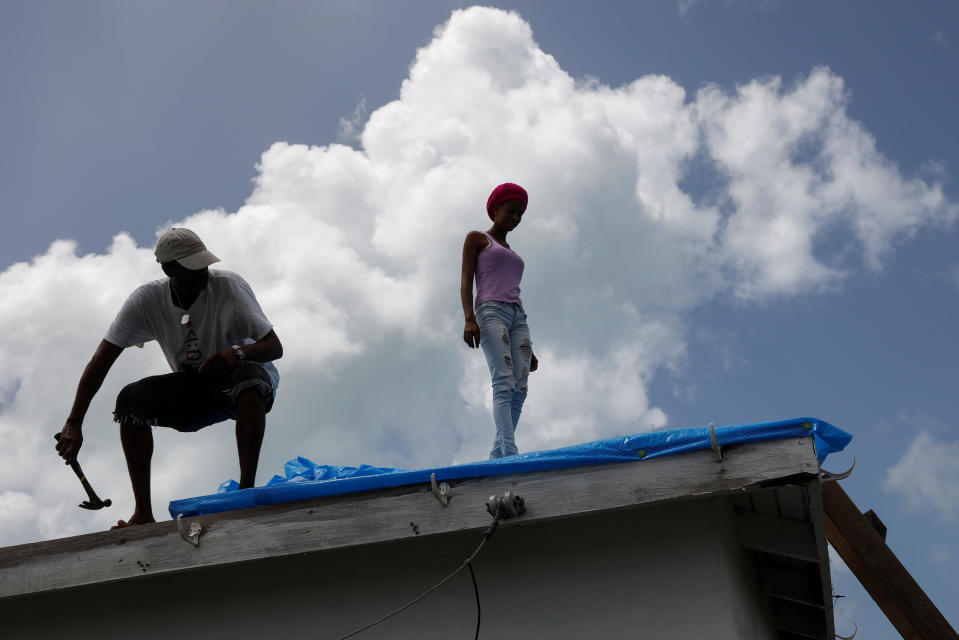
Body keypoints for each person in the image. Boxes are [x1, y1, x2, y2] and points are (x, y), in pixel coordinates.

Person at [56, 228, 283, 528]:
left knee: (249, 377)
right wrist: (74, 422)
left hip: (239, 382)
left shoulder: (228, 286)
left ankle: (245, 491)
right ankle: (143, 514)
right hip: (193, 388)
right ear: (169, 269)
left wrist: (236, 353)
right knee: (131, 399)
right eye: (192, 268)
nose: (202, 272)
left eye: (203, 264)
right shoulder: (146, 300)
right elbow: (101, 361)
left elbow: (274, 347)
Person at [461, 183, 538, 458]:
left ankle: (498, 454)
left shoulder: (515, 256)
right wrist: (470, 318)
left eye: (520, 214)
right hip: (491, 310)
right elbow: (466, 282)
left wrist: (530, 349)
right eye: (511, 211)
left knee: (521, 387)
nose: (515, 218)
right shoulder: (478, 239)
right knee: (503, 381)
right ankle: (510, 452)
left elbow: (514, 292)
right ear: (495, 210)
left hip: (518, 318)